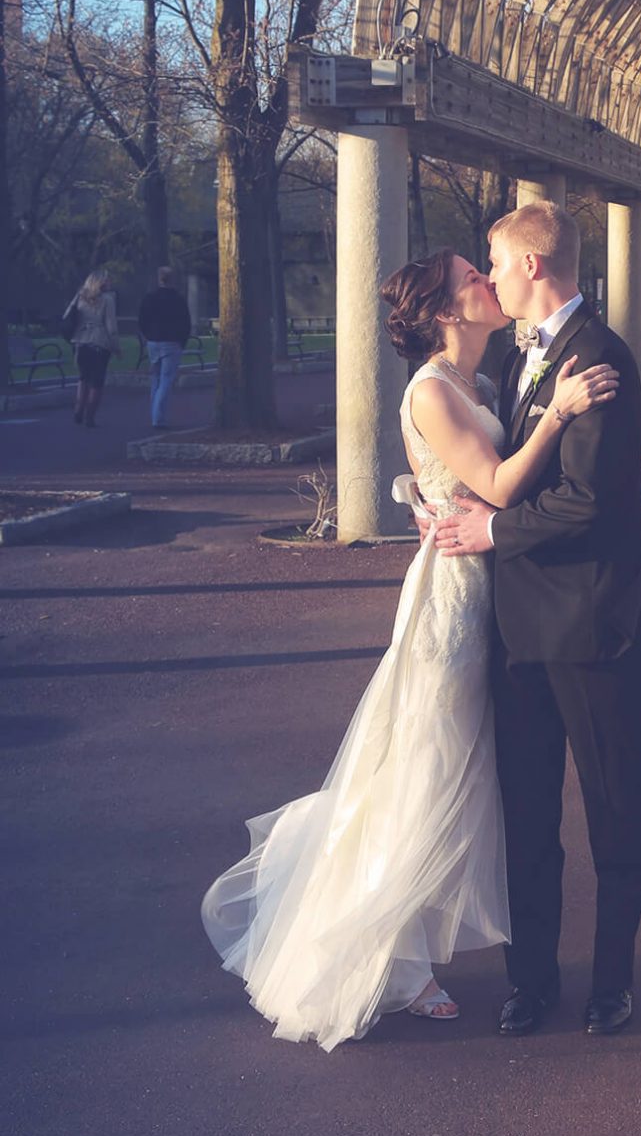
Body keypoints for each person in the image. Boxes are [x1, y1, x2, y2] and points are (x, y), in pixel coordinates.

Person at [200, 248, 619, 1050]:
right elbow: (497, 485)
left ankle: (419, 940)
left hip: (495, 585)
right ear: (443, 312)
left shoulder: (484, 382)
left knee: (468, 769)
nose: (488, 284)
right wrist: (562, 412)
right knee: (426, 762)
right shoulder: (431, 390)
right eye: (472, 278)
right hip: (455, 602)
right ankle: (389, 955)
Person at [435, 201, 641, 1039]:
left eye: (495, 262)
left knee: (615, 809)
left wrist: (490, 529)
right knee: (527, 815)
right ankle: (530, 982)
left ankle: (612, 982)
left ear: (532, 266)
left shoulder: (599, 357)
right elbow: (502, 468)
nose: (489, 277)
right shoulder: (514, 359)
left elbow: (587, 500)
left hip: (597, 624)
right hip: (519, 630)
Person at [137, 266, 192, 430]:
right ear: (172, 279)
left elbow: (142, 320)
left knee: (156, 379)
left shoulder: (149, 298)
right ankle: (158, 418)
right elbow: (186, 323)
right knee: (167, 380)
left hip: (153, 342)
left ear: (159, 279)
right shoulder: (179, 300)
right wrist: (182, 342)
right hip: (172, 342)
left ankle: (155, 413)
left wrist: (148, 336)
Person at [65, 268, 119, 428]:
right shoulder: (108, 299)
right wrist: (116, 347)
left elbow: (68, 314)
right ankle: (90, 415)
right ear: (101, 282)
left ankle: (78, 408)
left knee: (83, 377)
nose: (110, 282)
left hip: (80, 342)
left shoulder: (79, 296)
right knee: (97, 382)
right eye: (108, 279)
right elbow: (111, 326)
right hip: (99, 343)